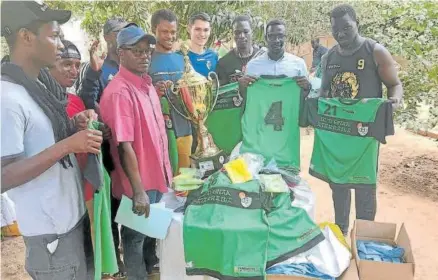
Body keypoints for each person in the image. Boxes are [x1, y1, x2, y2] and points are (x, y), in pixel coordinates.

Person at [1, 1, 102, 279]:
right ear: (26, 37)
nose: (60, 44)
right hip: (51, 237)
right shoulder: (7, 98)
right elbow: (3, 177)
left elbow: (40, 141)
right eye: (54, 35)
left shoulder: (40, 86)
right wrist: (68, 145)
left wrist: (71, 126)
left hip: (72, 220)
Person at [319, 4, 403, 235]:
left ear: (358, 24)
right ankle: (342, 233)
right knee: (338, 184)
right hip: (339, 133)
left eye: (346, 27)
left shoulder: (375, 51)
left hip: (366, 134)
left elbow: (394, 85)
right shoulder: (329, 57)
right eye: (336, 30)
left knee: (365, 186)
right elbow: (324, 92)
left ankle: (364, 236)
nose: (341, 33)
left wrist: (394, 101)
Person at [99, 25, 172, 280]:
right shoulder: (120, 91)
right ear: (121, 53)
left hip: (155, 175)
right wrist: (138, 190)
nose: (145, 56)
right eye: (137, 51)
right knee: (134, 240)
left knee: (149, 233)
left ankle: (150, 270)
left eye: (147, 51)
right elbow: (123, 144)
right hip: (137, 182)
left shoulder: (146, 85)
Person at [77, 17, 136, 277]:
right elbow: (86, 99)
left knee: (134, 197)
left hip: (131, 144)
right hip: (108, 148)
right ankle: (116, 260)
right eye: (122, 32)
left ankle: (139, 254)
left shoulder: (132, 64)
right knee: (112, 204)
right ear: (110, 37)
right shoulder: (98, 67)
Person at [149, 9, 192, 173]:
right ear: (154, 30)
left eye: (173, 32)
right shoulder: (147, 59)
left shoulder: (182, 58)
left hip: (184, 127)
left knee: (184, 179)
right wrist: (154, 90)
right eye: (164, 32)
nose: (169, 36)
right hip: (159, 130)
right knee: (164, 178)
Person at [239, 19, 311, 95]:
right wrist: (241, 87)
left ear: (285, 38)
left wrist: (307, 87)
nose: (276, 40)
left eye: (280, 36)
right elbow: (246, 97)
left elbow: (304, 96)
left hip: (290, 106)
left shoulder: (299, 64)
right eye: (272, 36)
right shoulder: (252, 66)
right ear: (266, 38)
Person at [216, 15, 264, 85]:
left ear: (252, 32)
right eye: (237, 32)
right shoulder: (223, 63)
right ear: (233, 34)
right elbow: (221, 92)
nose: (241, 36)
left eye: (246, 32)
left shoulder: (263, 57)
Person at [187, 12, 218, 77]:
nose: (202, 34)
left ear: (210, 31)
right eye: (198, 29)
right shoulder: (180, 57)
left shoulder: (213, 55)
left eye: (206, 30)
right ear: (189, 29)